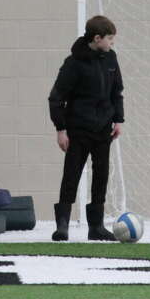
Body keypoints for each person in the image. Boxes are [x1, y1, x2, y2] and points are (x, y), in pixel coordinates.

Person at [48, 15, 124, 241]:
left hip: (104, 129)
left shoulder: (111, 59)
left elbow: (117, 92)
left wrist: (118, 120)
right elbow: (56, 98)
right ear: (97, 38)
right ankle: (63, 225)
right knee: (71, 174)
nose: (112, 43)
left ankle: (96, 226)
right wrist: (61, 129)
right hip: (78, 129)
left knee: (101, 175)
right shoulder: (73, 63)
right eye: (110, 38)